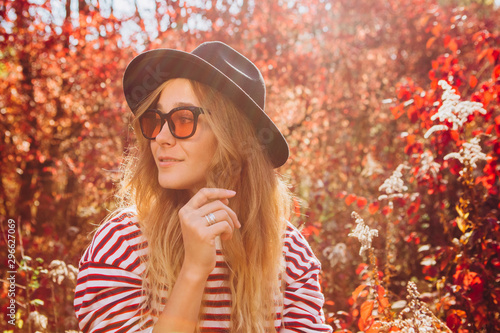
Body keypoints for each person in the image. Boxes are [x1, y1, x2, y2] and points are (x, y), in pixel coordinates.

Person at [74, 41, 333, 333]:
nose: (160, 137)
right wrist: (194, 271)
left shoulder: (290, 253)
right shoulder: (121, 245)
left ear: (233, 136)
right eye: (154, 119)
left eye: (183, 120)